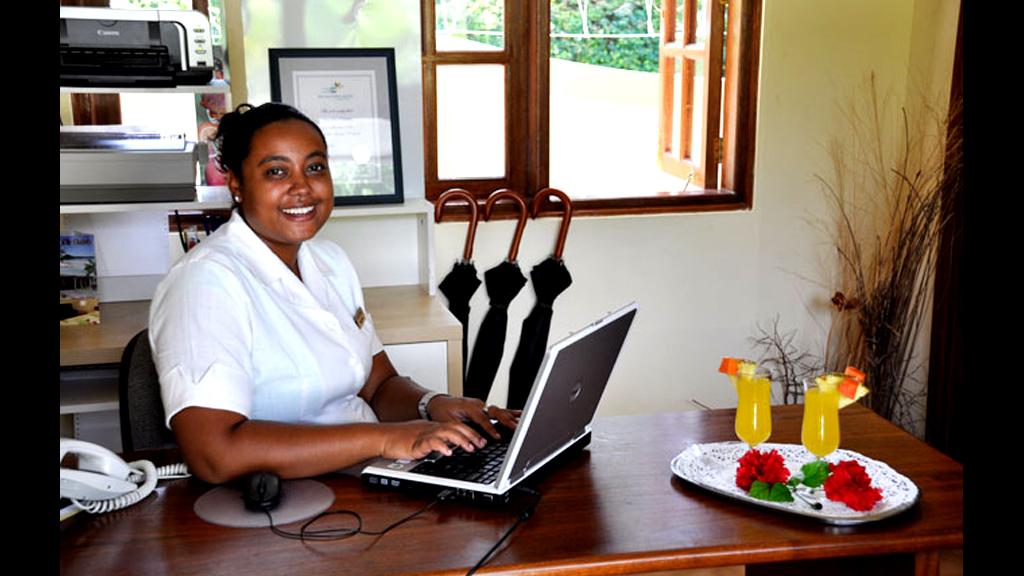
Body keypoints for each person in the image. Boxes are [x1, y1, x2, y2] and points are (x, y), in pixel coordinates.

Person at [150, 102, 517, 484]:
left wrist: (432, 405)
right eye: (276, 171)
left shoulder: (331, 262)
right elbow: (214, 454)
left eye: (315, 168)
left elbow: (378, 385)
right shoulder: (204, 282)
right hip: (290, 499)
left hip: (367, 474)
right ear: (237, 185)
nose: (302, 188)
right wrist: (389, 439)